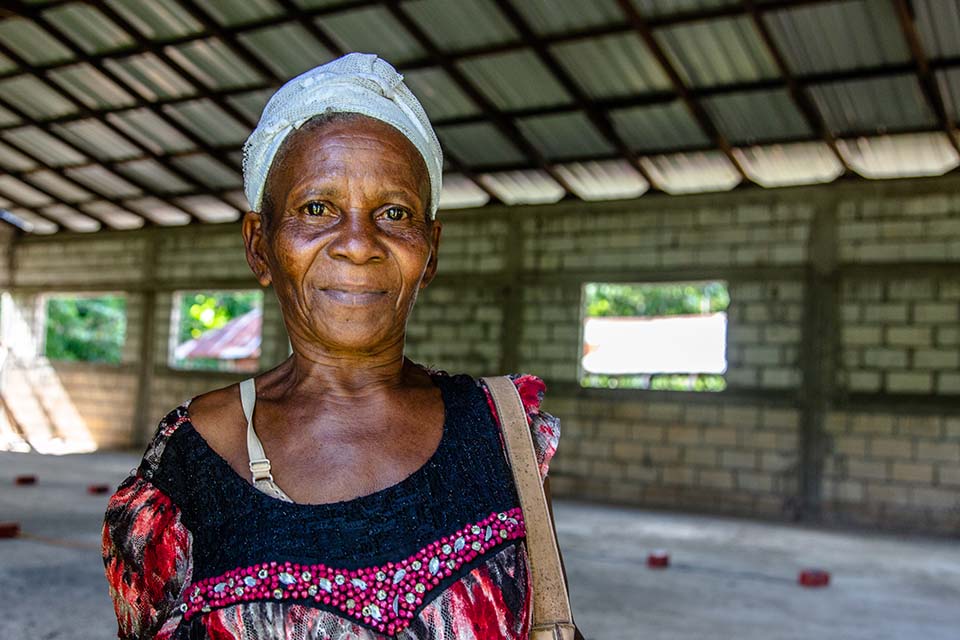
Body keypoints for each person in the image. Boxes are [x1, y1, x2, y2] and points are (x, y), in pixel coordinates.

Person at [102, 53, 576, 639]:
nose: (358, 244)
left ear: (430, 251)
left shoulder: (503, 432)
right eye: (317, 208)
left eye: (394, 212)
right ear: (260, 246)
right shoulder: (193, 458)